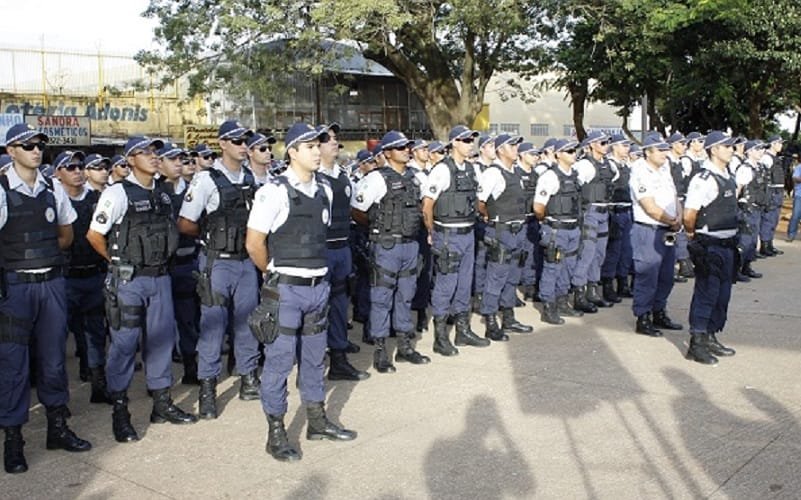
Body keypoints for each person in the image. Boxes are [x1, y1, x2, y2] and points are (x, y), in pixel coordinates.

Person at [245, 122, 356, 462]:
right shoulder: (274, 191)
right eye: (310, 145)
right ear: (292, 152)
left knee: (313, 359)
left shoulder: (323, 189)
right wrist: (275, 276)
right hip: (288, 291)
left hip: (318, 288)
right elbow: (254, 244)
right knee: (279, 363)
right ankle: (276, 431)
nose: (317, 150)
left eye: (320, 143)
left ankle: (317, 421)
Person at [87, 135, 197, 443]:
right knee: (124, 344)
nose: (152, 156)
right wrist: (117, 262)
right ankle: (120, 411)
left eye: (154, 152)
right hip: (130, 281)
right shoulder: (117, 193)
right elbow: (95, 235)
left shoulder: (162, 195)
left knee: (160, 342)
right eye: (144, 152)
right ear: (130, 159)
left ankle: (161, 404)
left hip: (161, 278)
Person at [1, 124, 92, 474]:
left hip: (52, 282)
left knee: (54, 361)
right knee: (13, 365)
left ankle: (57, 428)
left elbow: (66, 234)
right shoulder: (1, 188)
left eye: (39, 144)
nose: (36, 150)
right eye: (27, 146)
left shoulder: (52, 186)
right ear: (11, 151)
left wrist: (45, 256)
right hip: (15, 287)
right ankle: (14, 440)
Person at [177, 120, 261, 418]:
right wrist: (210, 232)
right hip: (216, 262)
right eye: (236, 141)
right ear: (222, 144)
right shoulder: (205, 180)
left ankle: (248, 376)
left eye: (244, 141)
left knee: (247, 321)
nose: (242, 146)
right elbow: (185, 222)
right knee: (212, 325)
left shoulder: (251, 177)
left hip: (245, 261)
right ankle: (207, 386)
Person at [351, 130, 429, 373]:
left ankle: (405, 346)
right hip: (386, 246)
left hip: (410, 244)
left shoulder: (416, 178)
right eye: (400, 147)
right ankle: (381, 351)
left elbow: (422, 207)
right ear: (386, 153)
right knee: (381, 299)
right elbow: (358, 211)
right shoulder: (376, 179)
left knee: (405, 296)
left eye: (407, 146)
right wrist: (377, 227)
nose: (406, 150)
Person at [422, 125, 490, 356]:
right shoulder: (442, 170)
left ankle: (463, 331)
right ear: (453, 144)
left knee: (464, 284)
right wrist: (432, 233)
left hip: (467, 233)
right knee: (445, 285)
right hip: (448, 234)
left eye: (471, 139)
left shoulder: (472, 170)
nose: (470, 143)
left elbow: (479, 200)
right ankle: (440, 337)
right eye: (464, 140)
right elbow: (427, 206)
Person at [54, 150, 111, 402]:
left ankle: (99, 385)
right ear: (58, 174)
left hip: (94, 275)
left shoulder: (98, 199)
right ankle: (59, 399)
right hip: (64, 278)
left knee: (96, 333)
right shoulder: (52, 200)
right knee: (57, 340)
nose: (76, 171)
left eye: (79, 166)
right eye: (70, 168)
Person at [316, 123, 368, 381]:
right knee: (316, 307)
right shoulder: (310, 177)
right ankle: (313, 363)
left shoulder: (343, 175)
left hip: (341, 248)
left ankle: (338, 357)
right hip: (319, 251)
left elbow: (353, 211)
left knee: (339, 304)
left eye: (335, 138)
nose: (334, 142)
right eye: (328, 139)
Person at [683, 131, 739, 365]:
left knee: (722, 294)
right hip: (710, 244)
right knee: (707, 293)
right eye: (726, 146)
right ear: (713, 149)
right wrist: (694, 238)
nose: (731, 150)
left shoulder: (727, 175)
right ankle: (697, 342)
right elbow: (689, 215)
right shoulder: (703, 179)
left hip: (728, 245)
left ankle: (711, 335)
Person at [476, 134, 534, 339]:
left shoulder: (515, 172)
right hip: (502, 231)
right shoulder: (493, 173)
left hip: (518, 231)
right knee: (496, 276)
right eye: (511, 145)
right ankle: (490, 320)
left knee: (512, 277)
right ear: (500, 150)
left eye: (517, 145)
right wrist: (490, 218)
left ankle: (508, 317)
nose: (516, 148)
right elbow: (480, 202)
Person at [628, 134, 684, 337]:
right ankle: (643, 317)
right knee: (647, 276)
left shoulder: (664, 168)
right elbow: (649, 206)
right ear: (647, 152)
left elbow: (674, 195)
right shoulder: (640, 171)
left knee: (666, 275)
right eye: (660, 150)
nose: (665, 153)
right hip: (648, 229)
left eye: (665, 149)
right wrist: (672, 220)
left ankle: (659, 312)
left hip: (667, 229)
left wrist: (679, 216)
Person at [157, 142, 200, 385]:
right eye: (171, 159)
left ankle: (191, 366)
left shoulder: (190, 191)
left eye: (180, 159)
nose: (178, 164)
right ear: (159, 163)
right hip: (162, 268)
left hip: (187, 263)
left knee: (188, 319)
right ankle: (160, 380)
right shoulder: (153, 192)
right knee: (160, 326)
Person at [533, 138, 583, 324]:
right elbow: (539, 207)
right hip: (556, 229)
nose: (573, 154)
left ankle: (562, 301)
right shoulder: (550, 176)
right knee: (552, 268)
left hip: (572, 228)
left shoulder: (574, 175)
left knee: (568, 267)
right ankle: (548, 305)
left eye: (574, 151)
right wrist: (550, 223)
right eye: (569, 151)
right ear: (558, 154)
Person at [572, 130, 614, 311]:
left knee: (599, 254)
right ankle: (579, 294)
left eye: (607, 143)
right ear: (591, 145)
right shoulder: (584, 165)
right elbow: (575, 189)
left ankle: (593, 290)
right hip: (589, 212)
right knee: (587, 252)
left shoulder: (607, 164)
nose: (606, 146)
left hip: (604, 212)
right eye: (602, 143)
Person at [349, 149, 376, 344]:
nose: (371, 165)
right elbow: (356, 211)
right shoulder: (360, 183)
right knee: (364, 279)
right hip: (359, 232)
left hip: (370, 232)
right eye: (367, 162)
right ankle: (364, 317)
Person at [601, 134, 633, 301]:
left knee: (626, 251)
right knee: (613, 251)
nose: (627, 148)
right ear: (614, 147)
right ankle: (608, 285)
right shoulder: (610, 166)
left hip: (627, 211)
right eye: (624, 145)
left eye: (628, 145)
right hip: (616, 212)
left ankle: (622, 283)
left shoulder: (625, 164)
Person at [666, 132, 695, 282]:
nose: (685, 147)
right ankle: (671, 268)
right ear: (673, 145)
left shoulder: (680, 162)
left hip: (681, 200)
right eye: (682, 144)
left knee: (681, 234)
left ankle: (683, 263)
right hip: (670, 203)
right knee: (671, 236)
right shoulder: (667, 162)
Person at [734, 141, 765, 279]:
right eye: (757, 149)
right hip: (747, 208)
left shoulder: (758, 167)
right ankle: (736, 270)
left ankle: (747, 266)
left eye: (762, 149)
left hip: (756, 208)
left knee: (752, 240)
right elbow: (738, 188)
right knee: (744, 240)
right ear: (749, 151)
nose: (761, 151)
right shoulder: (745, 169)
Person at [516, 142, 541, 302]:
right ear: (522, 155)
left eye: (536, 154)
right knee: (518, 255)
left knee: (532, 253)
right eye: (532, 154)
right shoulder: (514, 173)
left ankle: (530, 285)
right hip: (518, 220)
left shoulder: (536, 175)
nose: (535, 157)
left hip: (532, 218)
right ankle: (511, 288)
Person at [759, 136, 786, 256]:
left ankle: (769, 244)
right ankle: (764, 246)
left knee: (774, 219)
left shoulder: (775, 158)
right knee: (768, 218)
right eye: (779, 143)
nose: (781, 145)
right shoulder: (766, 158)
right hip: (771, 191)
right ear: (773, 144)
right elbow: (763, 177)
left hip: (778, 190)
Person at [786, 153, 801, 242]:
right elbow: (794, 178)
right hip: (799, 195)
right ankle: (791, 235)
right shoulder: (799, 167)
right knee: (796, 215)